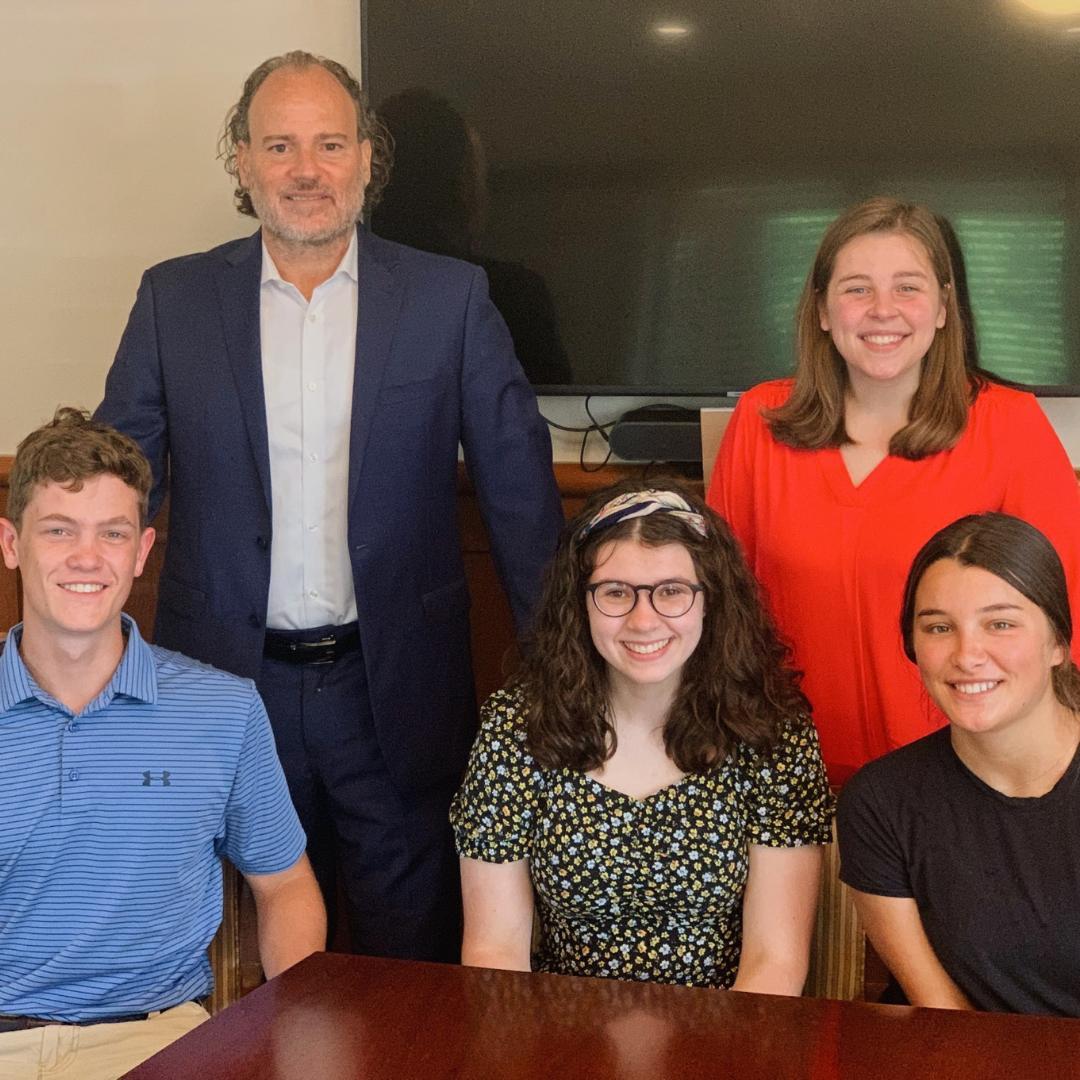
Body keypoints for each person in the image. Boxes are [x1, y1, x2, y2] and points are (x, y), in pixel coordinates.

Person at [95, 51, 563, 963]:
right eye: (279, 145)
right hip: (227, 686)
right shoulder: (173, 299)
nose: (306, 171)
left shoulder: (449, 299)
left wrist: (563, 669)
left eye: (329, 144)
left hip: (395, 692)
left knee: (408, 970)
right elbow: (115, 485)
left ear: (366, 159)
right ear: (241, 159)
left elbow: (518, 491)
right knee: (232, 963)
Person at [708, 196, 1080, 785]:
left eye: (908, 287)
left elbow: (1068, 614)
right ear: (823, 311)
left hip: (960, 776)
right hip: (786, 772)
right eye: (857, 289)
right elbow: (718, 606)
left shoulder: (1010, 425)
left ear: (942, 308)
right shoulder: (760, 421)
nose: (883, 311)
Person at [0, 409, 324, 1080]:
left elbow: (286, 884)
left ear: (142, 551)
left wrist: (289, 1030)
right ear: (11, 543)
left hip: (158, 1043)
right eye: (59, 531)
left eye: (112, 534)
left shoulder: (224, 710)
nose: (87, 558)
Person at [451, 481, 833, 991]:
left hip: (725, 1034)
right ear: (579, 603)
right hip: (558, 1032)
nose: (644, 619)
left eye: (671, 591)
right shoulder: (515, 727)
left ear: (710, 600)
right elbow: (493, 951)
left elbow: (774, 962)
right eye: (615, 592)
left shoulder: (771, 734)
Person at [838, 513, 1080, 1015]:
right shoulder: (881, 802)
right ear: (913, 646)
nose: (967, 655)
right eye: (940, 627)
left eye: (1001, 624)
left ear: (1058, 643)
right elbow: (944, 1015)